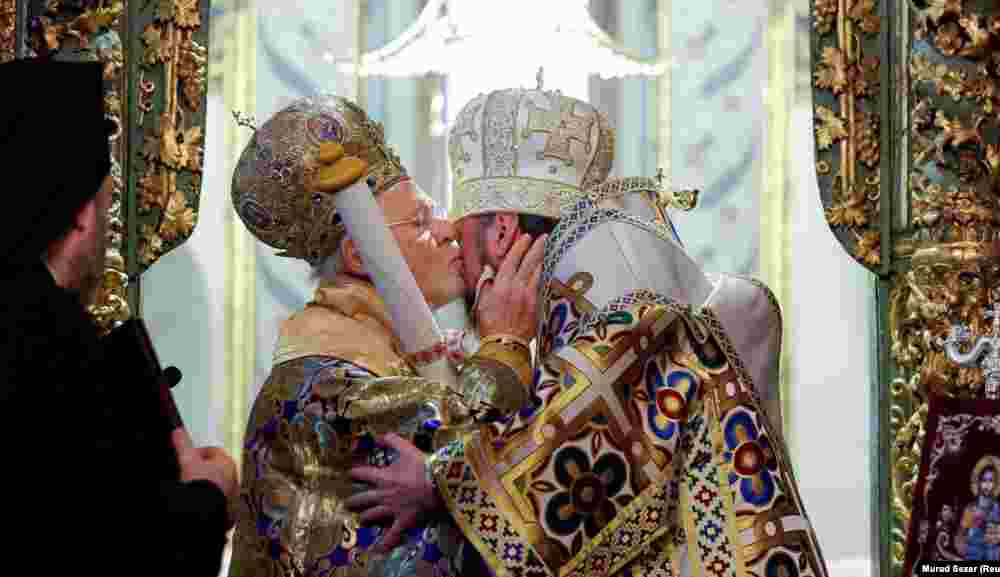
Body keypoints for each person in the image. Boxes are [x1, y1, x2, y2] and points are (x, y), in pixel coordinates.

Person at [347, 85, 827, 577]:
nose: (454, 244)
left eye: (465, 232)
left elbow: (589, 446)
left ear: (504, 231)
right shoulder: (610, 254)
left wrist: (440, 482)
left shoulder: (609, 277)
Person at [227, 95, 542, 577]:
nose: (446, 229)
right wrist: (505, 344)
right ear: (359, 256)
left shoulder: (377, 358)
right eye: (419, 221)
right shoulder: (325, 384)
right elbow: (481, 456)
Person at [0, 61, 238, 575]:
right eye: (109, 207)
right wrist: (210, 498)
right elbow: (108, 543)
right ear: (84, 214)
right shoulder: (53, 345)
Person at [956, 456, 1000, 561]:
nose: (987, 485)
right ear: (979, 483)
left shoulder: (997, 509)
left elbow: (999, 537)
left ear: (995, 483)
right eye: (984, 480)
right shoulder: (971, 508)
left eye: (991, 481)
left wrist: (993, 535)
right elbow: (961, 535)